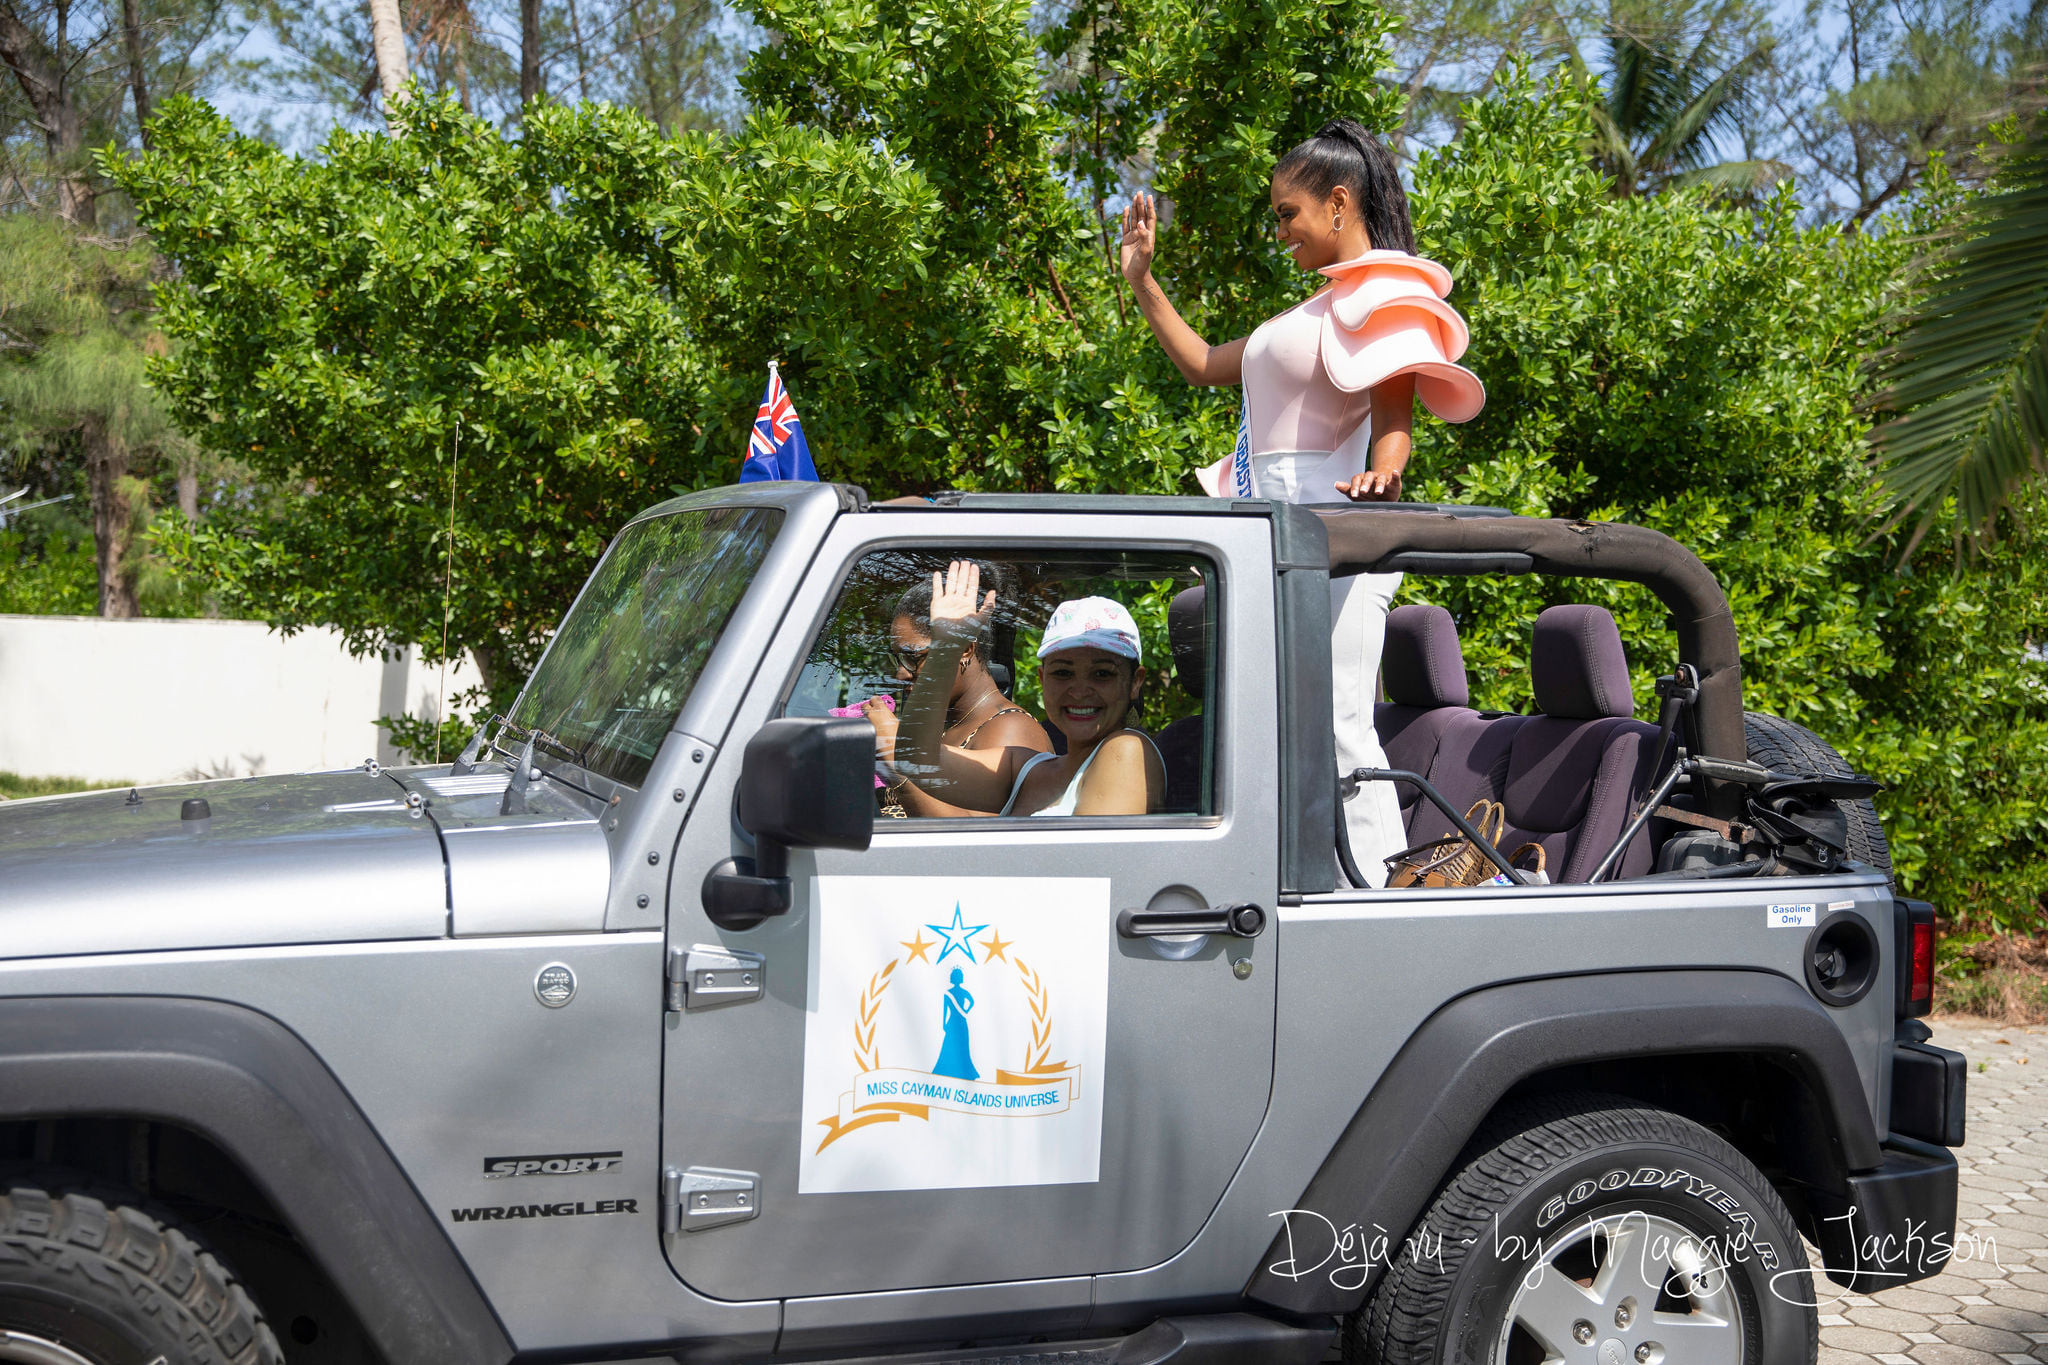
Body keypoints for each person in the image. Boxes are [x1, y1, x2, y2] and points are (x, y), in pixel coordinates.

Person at [1116, 118, 1484, 884]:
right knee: (1280, 724)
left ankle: (1392, 889)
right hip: (1271, 537)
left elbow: (1394, 422)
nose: (1280, 230)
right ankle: (1307, 877)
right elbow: (1202, 364)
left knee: (1342, 719)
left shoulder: (1381, 296)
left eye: (1289, 214)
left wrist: (1386, 474)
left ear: (1340, 204)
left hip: (1339, 531)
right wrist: (1144, 281)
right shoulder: (1305, 314)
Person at [873, 562, 1164, 817]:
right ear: (1042, 679)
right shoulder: (1026, 770)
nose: (1079, 690)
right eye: (1062, 673)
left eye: (1102, 674)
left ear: (1135, 682)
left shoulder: (1126, 749)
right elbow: (915, 761)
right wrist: (947, 647)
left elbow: (1086, 870)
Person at [866, 572, 1050, 817]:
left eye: (913, 657)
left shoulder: (1011, 731)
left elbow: (971, 844)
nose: (901, 674)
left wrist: (894, 760)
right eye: (897, 658)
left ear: (964, 650)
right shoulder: (945, 724)